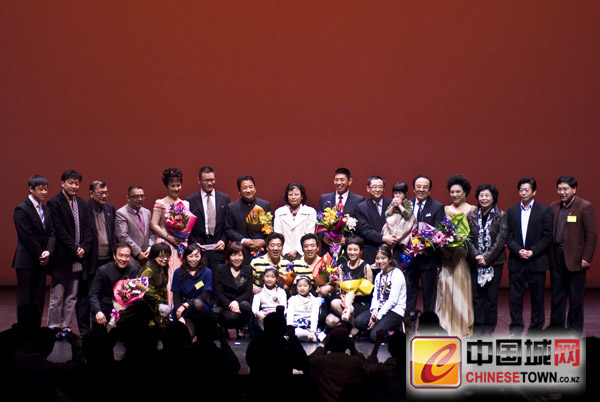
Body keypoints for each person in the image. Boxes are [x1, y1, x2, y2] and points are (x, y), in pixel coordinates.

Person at [47, 169, 93, 338]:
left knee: (72, 296)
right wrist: (74, 248)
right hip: (62, 257)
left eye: (77, 183)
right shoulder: (54, 202)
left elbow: (88, 229)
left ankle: (66, 327)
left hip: (79, 258)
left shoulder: (82, 203)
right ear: (63, 183)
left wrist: (83, 248)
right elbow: (58, 229)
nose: (74, 186)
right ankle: (53, 328)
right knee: (57, 296)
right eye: (71, 183)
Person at [550, 175, 597, 334]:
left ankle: (574, 331)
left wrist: (587, 257)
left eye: (565, 189)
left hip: (576, 259)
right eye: (559, 189)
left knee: (576, 298)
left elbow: (591, 235)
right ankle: (557, 329)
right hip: (556, 257)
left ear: (574, 189)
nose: (562, 192)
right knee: (557, 296)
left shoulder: (585, 207)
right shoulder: (554, 206)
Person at [506, 177, 552, 337]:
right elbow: (508, 236)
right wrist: (518, 250)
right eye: (521, 190)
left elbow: (547, 237)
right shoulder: (512, 211)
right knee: (515, 299)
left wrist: (532, 251)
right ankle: (516, 329)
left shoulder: (544, 210)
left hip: (536, 261)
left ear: (534, 192)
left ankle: (536, 330)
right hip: (517, 261)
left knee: (537, 298)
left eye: (527, 190)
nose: (523, 193)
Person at [435, 174, 476, 337]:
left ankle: (461, 326)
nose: (455, 194)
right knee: (446, 289)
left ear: (465, 193)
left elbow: (474, 233)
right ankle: (446, 326)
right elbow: (440, 232)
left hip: (463, 256)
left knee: (461, 290)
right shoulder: (445, 209)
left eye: (458, 191)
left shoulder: (471, 210)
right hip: (448, 257)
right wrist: (443, 246)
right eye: (452, 192)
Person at [466, 183, 508, 337]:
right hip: (475, 262)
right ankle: (478, 329)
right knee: (477, 298)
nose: (484, 198)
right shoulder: (471, 215)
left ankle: (488, 330)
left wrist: (487, 258)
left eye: (487, 195)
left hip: (494, 263)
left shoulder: (501, 215)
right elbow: (467, 238)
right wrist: (477, 255)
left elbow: (501, 239)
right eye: (481, 195)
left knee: (491, 299)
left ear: (493, 198)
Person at [12, 175, 55, 316]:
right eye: (41, 189)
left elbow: (52, 233)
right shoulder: (21, 209)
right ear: (31, 189)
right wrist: (40, 253)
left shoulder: (46, 209)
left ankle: (36, 328)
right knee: (25, 299)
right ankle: (24, 328)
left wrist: (48, 251)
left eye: (46, 189)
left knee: (38, 299)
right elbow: (27, 236)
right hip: (27, 260)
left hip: (42, 260)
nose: (44, 192)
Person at [151, 167, 194, 304]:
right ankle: (165, 307)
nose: (176, 188)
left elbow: (188, 224)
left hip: (180, 244)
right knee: (165, 275)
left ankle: (177, 306)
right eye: (173, 185)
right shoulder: (160, 203)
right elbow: (154, 224)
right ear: (166, 186)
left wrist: (185, 234)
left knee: (180, 274)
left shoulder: (185, 203)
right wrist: (168, 237)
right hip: (165, 244)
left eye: (178, 185)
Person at [405, 174, 444, 320]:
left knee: (429, 294)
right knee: (409, 293)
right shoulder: (407, 204)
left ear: (429, 189)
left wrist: (422, 244)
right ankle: (408, 324)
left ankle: (428, 324)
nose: (421, 189)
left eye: (425, 187)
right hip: (409, 258)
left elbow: (438, 231)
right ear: (414, 189)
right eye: (418, 186)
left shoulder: (437, 207)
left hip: (429, 259)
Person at [79, 180, 116, 334]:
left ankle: (99, 329)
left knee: (105, 296)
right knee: (86, 297)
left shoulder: (110, 208)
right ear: (91, 193)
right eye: (101, 193)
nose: (104, 196)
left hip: (107, 260)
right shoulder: (83, 209)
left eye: (106, 192)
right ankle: (84, 331)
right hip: (90, 261)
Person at [355, 245, 407, 342]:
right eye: (377, 258)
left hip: (394, 310)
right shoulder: (379, 275)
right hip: (380, 308)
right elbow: (376, 296)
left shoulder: (397, 274)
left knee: (375, 336)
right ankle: (376, 328)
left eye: (383, 258)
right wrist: (374, 310)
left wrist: (378, 317)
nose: (380, 261)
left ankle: (393, 331)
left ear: (389, 259)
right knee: (358, 322)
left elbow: (392, 301)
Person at [186, 166, 231, 271]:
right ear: (199, 181)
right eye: (206, 180)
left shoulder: (224, 198)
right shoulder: (190, 200)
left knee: (218, 279)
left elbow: (228, 224)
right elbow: (187, 227)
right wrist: (194, 243)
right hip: (198, 251)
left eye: (212, 180)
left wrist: (224, 240)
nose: (210, 183)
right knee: (200, 279)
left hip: (218, 250)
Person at [326, 236, 373, 330]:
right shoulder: (341, 267)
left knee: (335, 303)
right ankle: (354, 324)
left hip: (360, 302)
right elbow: (338, 287)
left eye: (355, 250)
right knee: (330, 321)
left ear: (360, 251)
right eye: (349, 249)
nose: (352, 252)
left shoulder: (366, 267)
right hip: (345, 302)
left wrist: (353, 295)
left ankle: (355, 327)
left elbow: (369, 290)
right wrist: (341, 295)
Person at [308, 327, 366, 402]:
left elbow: (304, 364)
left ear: (328, 342)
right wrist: (353, 350)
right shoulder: (355, 362)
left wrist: (324, 348)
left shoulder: (319, 361)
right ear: (348, 343)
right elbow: (367, 368)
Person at [317, 167, 365, 256]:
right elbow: (318, 223)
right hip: (327, 248)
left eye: (342, 180)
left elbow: (360, 228)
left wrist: (347, 240)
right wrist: (324, 237)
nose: (339, 183)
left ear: (349, 181)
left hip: (348, 251)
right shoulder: (324, 198)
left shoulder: (358, 200)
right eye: (336, 180)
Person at [225, 174, 272, 263]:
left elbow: (270, 228)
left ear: (255, 189)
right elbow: (228, 230)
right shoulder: (232, 207)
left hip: (262, 251)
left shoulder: (265, 205)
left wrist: (264, 241)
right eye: (245, 188)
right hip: (241, 253)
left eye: (251, 187)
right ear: (239, 191)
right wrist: (244, 240)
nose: (248, 190)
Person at [89, 243, 138, 326]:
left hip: (126, 308)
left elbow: (136, 294)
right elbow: (93, 294)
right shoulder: (103, 270)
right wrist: (97, 311)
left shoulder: (133, 271)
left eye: (127, 256)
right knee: (98, 324)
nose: (123, 259)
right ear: (114, 256)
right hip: (106, 306)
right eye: (120, 255)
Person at [171, 243, 213, 336]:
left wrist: (187, 304)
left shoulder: (207, 272)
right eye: (190, 256)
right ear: (186, 257)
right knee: (187, 336)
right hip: (183, 309)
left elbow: (205, 295)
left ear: (201, 257)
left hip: (200, 308)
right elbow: (176, 296)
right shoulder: (178, 272)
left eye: (197, 256)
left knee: (197, 303)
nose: (194, 259)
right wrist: (180, 315)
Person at [213, 241, 253, 336]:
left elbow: (247, 292)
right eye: (233, 255)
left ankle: (242, 328)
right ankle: (227, 330)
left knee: (246, 306)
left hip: (240, 305)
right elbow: (218, 292)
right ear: (229, 256)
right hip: (224, 305)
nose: (237, 258)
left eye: (240, 255)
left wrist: (236, 302)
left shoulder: (248, 270)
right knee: (231, 316)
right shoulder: (221, 269)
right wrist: (230, 305)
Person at [355, 176, 395, 266]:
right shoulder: (361, 207)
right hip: (371, 250)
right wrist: (383, 238)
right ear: (368, 189)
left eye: (380, 187)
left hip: (391, 249)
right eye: (374, 187)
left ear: (384, 189)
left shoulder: (392, 204)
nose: (377, 190)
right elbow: (365, 230)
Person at [274, 182, 317, 261]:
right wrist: (286, 251)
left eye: (296, 194)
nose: (293, 197)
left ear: (302, 196)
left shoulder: (310, 212)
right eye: (290, 195)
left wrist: (297, 251)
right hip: (284, 254)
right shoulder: (279, 212)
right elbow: (278, 234)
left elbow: (309, 234)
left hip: (303, 253)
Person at [115, 185, 153, 272]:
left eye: (142, 196)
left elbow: (151, 233)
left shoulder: (147, 212)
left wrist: (150, 247)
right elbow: (123, 236)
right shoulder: (121, 213)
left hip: (147, 257)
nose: (140, 199)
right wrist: (138, 253)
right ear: (128, 198)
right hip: (132, 258)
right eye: (136, 197)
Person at [139, 242, 173, 324]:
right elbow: (146, 291)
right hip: (148, 305)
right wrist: (162, 300)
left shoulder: (164, 267)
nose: (165, 259)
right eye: (161, 256)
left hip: (158, 303)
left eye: (167, 256)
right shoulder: (149, 270)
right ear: (154, 256)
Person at [382, 181, 417, 250]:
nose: (397, 195)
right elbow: (387, 214)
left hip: (404, 222)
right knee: (386, 227)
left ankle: (402, 243)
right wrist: (392, 206)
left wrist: (400, 205)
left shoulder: (408, 203)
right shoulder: (392, 202)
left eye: (400, 193)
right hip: (393, 223)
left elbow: (407, 215)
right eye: (395, 193)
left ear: (405, 194)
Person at [287, 276, 322, 342]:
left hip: (309, 325)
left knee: (322, 336)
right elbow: (290, 315)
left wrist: (312, 331)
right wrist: (289, 329)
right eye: (299, 286)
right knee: (296, 332)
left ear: (310, 287)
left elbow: (314, 316)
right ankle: (304, 336)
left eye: (305, 286)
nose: (302, 288)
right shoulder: (293, 299)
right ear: (296, 288)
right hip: (296, 325)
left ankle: (309, 336)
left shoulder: (314, 300)